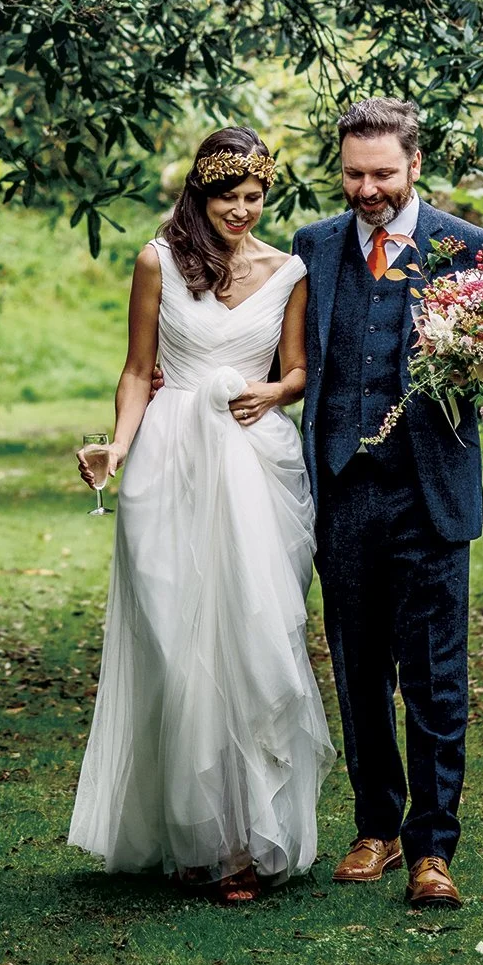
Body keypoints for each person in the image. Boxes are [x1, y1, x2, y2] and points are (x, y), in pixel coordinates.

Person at [66, 128, 334, 902]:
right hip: (168, 458)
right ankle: (192, 833)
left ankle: (244, 842)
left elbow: (297, 371)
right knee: (173, 642)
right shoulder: (156, 261)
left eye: (253, 197)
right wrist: (117, 448)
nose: (241, 211)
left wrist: (274, 391)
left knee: (251, 637)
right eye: (227, 197)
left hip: (252, 462)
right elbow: (135, 369)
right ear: (200, 194)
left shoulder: (289, 271)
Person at [292, 97, 483, 911]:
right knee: (357, 669)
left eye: (382, 174)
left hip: (430, 494)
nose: (367, 190)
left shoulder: (469, 248)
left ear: (414, 164)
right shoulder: (313, 246)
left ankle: (432, 848)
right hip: (342, 491)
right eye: (353, 175)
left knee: (435, 675)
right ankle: (374, 828)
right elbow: (289, 358)